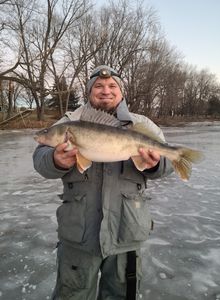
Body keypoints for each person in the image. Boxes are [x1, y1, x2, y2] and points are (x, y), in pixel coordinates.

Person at [33, 65, 173, 300]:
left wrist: (155, 164)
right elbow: (40, 160)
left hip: (125, 234)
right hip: (79, 235)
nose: (105, 90)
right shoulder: (70, 121)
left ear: (121, 92)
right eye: (98, 86)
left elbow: (167, 163)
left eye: (112, 86)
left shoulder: (142, 125)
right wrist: (55, 160)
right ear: (89, 92)